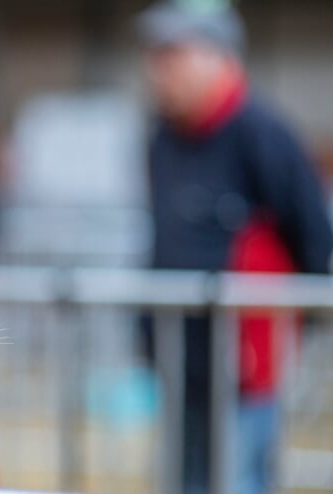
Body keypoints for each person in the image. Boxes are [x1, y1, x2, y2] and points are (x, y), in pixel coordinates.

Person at [136, 3, 333, 494]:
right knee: (186, 477)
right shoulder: (164, 136)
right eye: (156, 55)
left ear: (216, 57)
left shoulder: (262, 133)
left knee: (239, 477)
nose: (157, 70)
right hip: (180, 352)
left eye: (172, 54)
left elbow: (311, 235)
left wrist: (293, 322)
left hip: (243, 358)